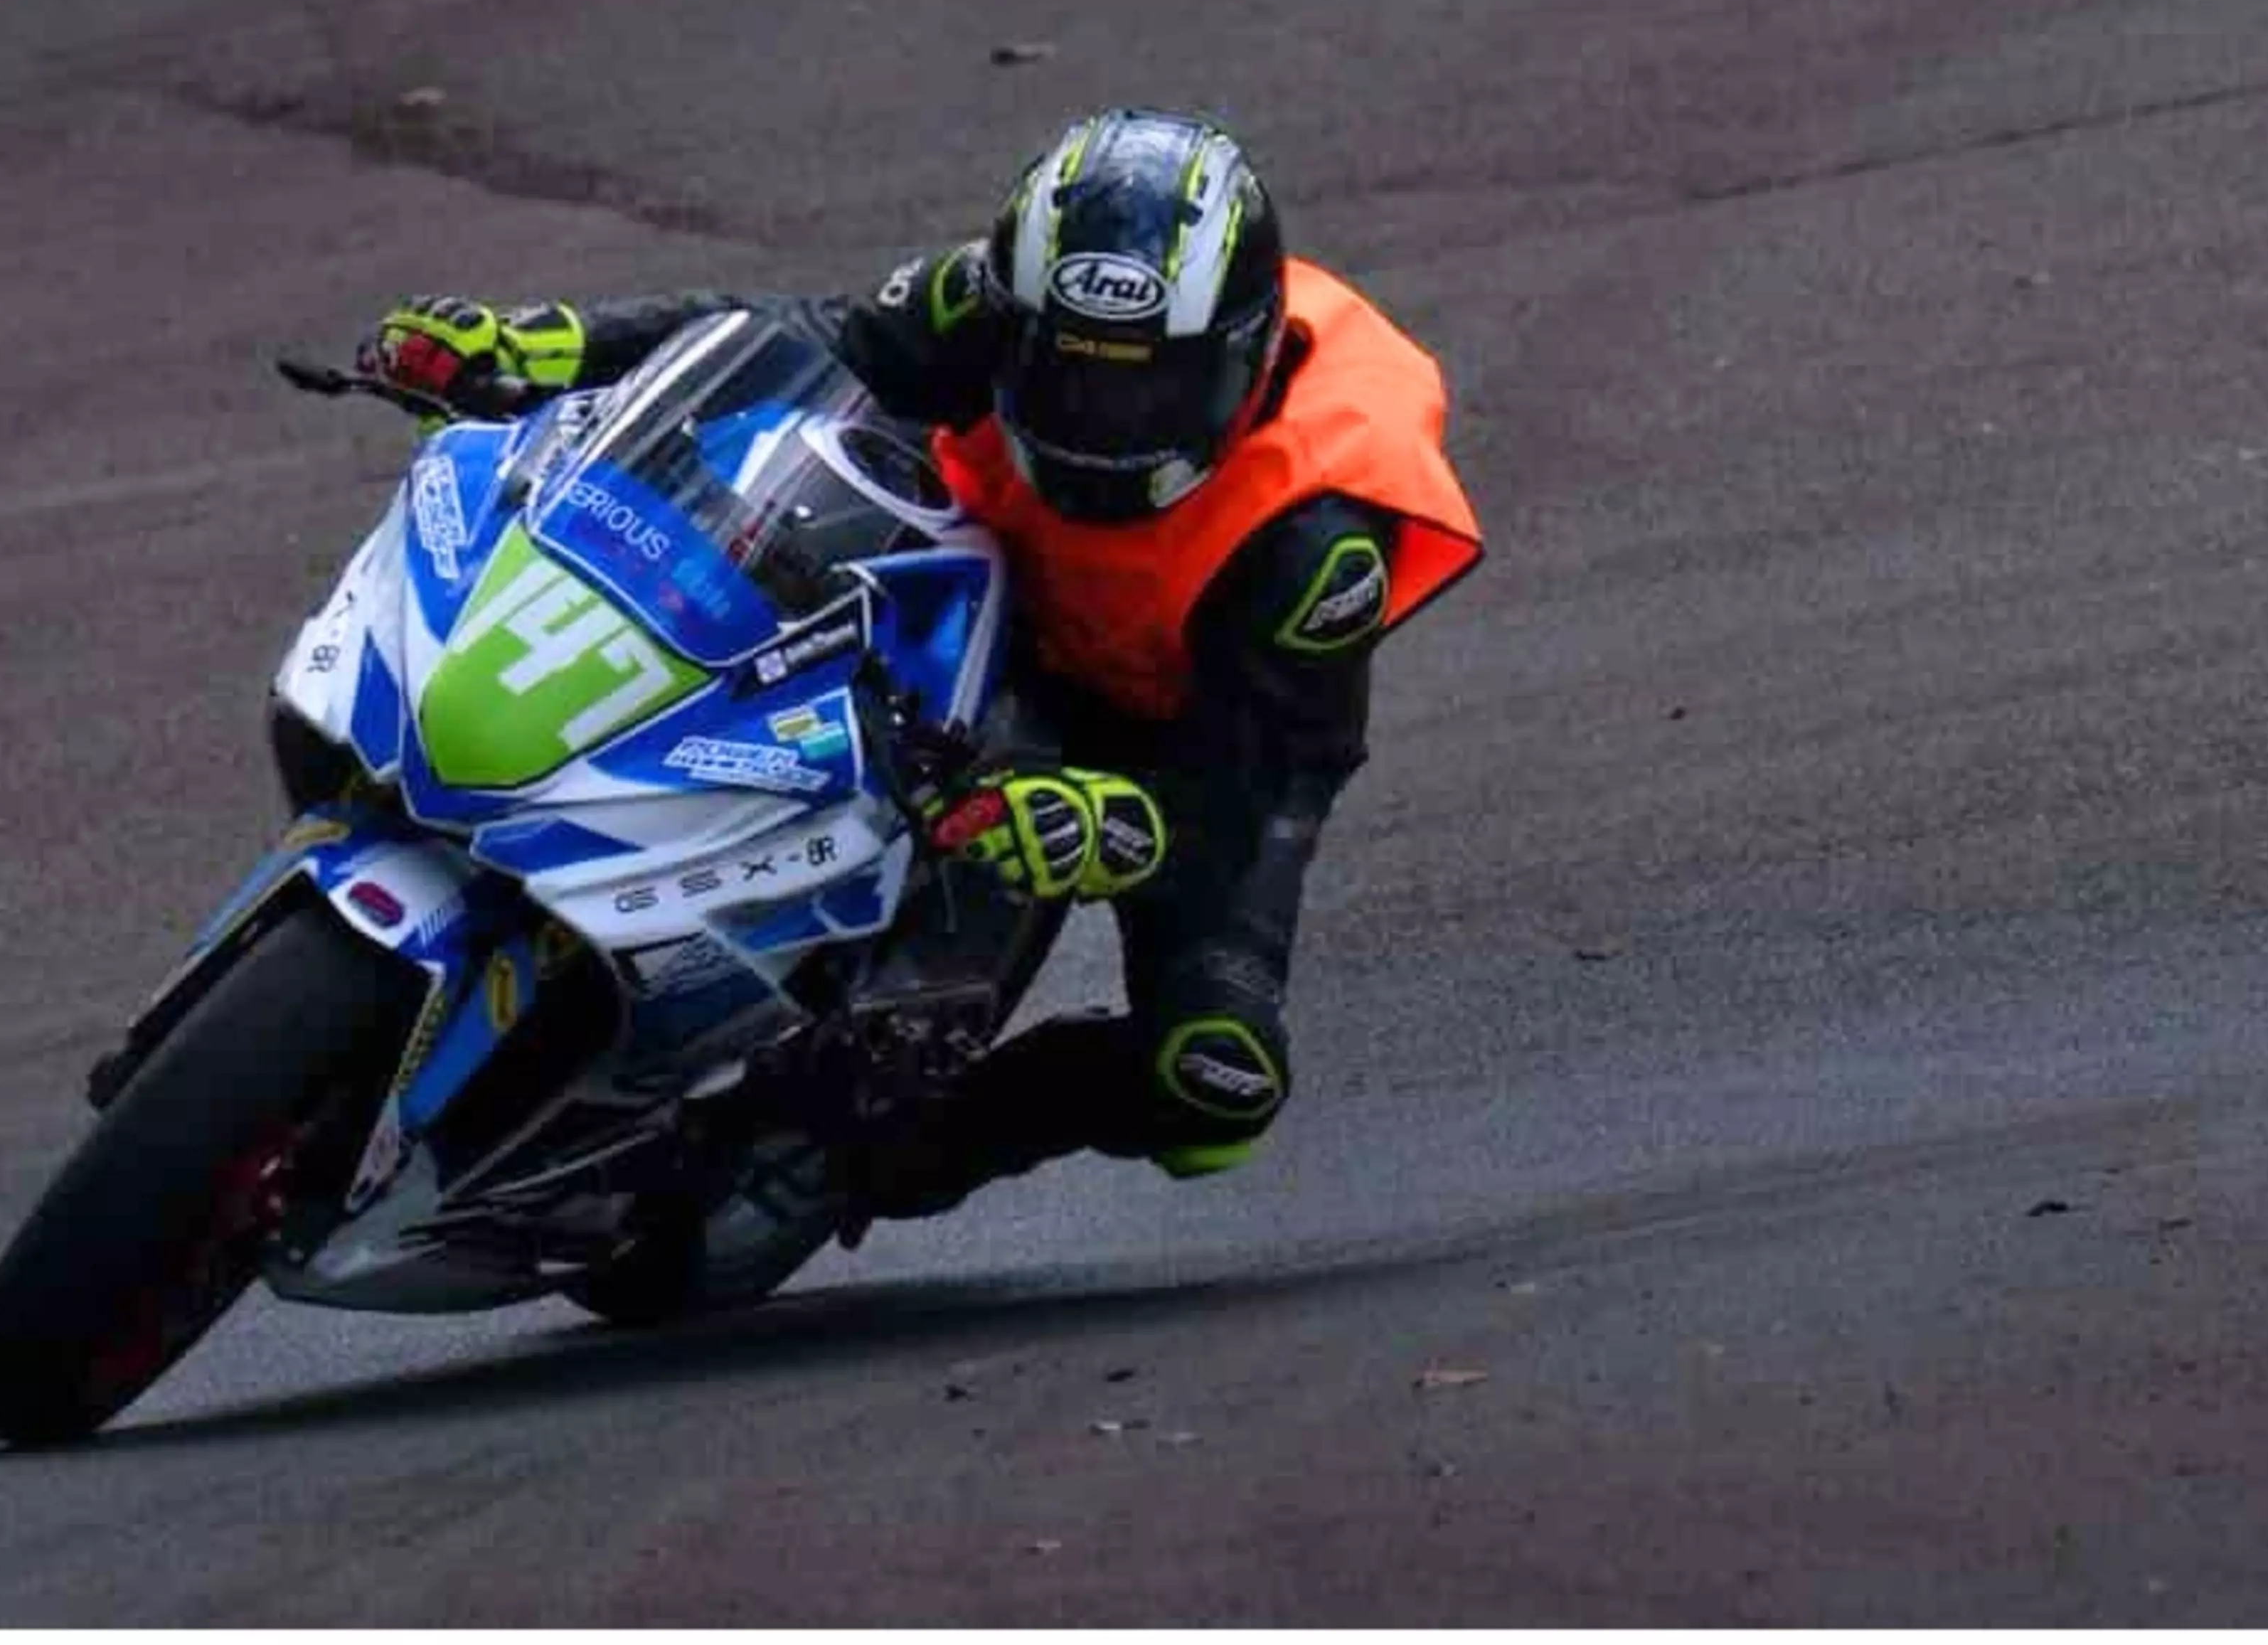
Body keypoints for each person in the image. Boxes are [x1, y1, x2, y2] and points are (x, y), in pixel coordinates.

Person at [361, 107, 1482, 1228]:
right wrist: (556, 345)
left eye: (1143, 388)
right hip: (952, 561)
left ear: (1238, 359)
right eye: (1067, 375)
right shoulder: (996, 300)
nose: (1098, 418)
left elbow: (1273, 782)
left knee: (1215, 1082)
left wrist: (1127, 826)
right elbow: (807, 339)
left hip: (1144, 733)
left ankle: (899, 1142)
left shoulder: (1318, 540)